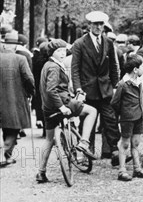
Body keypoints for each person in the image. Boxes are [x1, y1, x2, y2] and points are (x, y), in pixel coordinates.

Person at [37, 39, 98, 183]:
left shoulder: (48, 65)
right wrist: (61, 107)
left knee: (49, 139)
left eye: (64, 50)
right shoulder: (54, 67)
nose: (63, 53)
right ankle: (83, 142)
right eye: (59, 51)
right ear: (52, 53)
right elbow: (51, 90)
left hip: (47, 108)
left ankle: (41, 172)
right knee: (92, 111)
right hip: (61, 103)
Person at [71, 11, 120, 166]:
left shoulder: (108, 43)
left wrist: (115, 86)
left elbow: (113, 67)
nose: (98, 27)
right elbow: (75, 69)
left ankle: (115, 151)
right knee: (87, 122)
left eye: (101, 24)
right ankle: (85, 153)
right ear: (90, 25)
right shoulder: (79, 44)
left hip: (105, 90)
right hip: (88, 90)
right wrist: (78, 89)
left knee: (110, 120)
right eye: (96, 24)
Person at [111, 53, 143, 181]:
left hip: (138, 117)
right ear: (135, 69)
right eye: (142, 66)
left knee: (136, 143)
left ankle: (137, 168)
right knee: (125, 144)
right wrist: (123, 113)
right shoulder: (123, 84)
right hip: (127, 118)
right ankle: (121, 170)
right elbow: (114, 102)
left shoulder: (139, 82)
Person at [0, 30, 35, 167]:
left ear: (3, 45)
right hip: (16, 97)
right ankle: (6, 154)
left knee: (5, 125)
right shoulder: (20, 59)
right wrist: (31, 92)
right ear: (15, 46)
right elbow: (29, 78)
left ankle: (7, 154)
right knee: (14, 126)